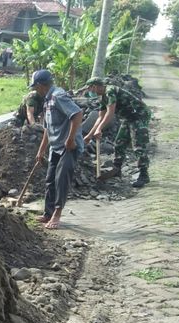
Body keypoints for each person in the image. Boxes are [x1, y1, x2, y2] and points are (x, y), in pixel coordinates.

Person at [31, 69, 84, 230]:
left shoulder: (58, 96)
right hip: (55, 147)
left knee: (61, 179)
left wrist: (70, 139)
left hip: (69, 146)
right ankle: (48, 212)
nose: (34, 90)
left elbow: (77, 114)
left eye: (35, 87)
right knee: (50, 179)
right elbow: (48, 129)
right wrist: (41, 151)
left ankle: (57, 215)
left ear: (41, 85)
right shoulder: (47, 101)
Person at [83, 77, 152, 188]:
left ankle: (144, 175)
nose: (90, 92)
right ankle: (117, 170)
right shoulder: (103, 98)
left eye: (90, 89)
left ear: (95, 86)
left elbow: (110, 113)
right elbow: (100, 118)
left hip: (139, 115)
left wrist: (99, 129)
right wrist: (89, 136)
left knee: (138, 146)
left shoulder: (110, 91)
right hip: (128, 118)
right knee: (119, 143)